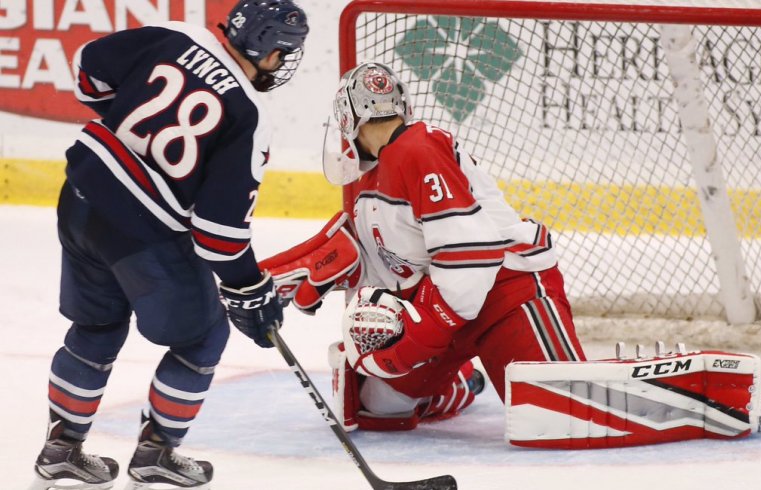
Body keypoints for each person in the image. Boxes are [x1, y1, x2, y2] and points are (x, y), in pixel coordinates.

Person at [31, 1, 308, 489]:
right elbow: (219, 235)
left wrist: (129, 132)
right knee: (202, 337)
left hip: (80, 199)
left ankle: (61, 448)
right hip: (142, 232)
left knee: (96, 324)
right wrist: (250, 286)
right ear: (265, 48)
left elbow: (89, 68)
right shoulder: (247, 115)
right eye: (282, 54)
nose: (281, 64)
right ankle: (157, 451)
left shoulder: (176, 34)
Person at [260, 61, 587, 433]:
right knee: (376, 408)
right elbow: (396, 261)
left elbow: (471, 255)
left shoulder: (419, 147)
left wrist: (421, 335)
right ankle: (462, 384)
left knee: (563, 418)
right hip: (445, 305)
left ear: (349, 120)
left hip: (505, 292)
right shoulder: (372, 181)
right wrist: (283, 277)